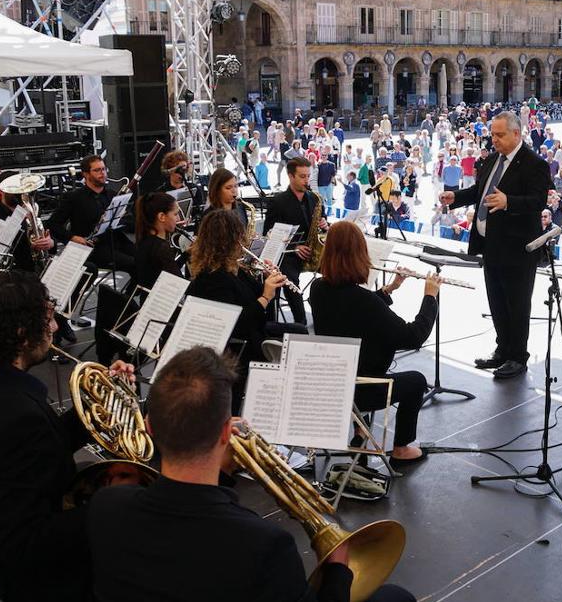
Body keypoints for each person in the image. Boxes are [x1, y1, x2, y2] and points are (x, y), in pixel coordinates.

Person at [87, 346, 415, 602]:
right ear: (226, 432)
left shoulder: (106, 505)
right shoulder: (265, 546)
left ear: (149, 427)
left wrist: (223, 473)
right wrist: (338, 571)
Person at [0, 271, 135, 601]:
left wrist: (100, 401)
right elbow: (27, 544)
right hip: (24, 581)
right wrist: (109, 504)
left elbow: (37, 451)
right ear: (24, 335)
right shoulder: (20, 418)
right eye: (50, 320)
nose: (54, 329)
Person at [309, 222, 439, 465]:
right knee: (416, 381)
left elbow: (351, 313)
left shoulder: (317, 290)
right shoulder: (364, 301)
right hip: (365, 389)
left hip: (333, 383)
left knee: (363, 357)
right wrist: (430, 297)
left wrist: (390, 288)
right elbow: (413, 336)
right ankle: (402, 448)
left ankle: (360, 434)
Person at [440, 111, 553, 380]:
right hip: (491, 245)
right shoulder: (491, 160)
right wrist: (455, 196)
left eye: (500, 135)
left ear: (517, 134)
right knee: (497, 302)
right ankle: (502, 350)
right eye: (492, 134)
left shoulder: (534, 164)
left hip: (518, 249)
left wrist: (509, 202)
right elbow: (480, 192)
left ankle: (518, 357)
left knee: (517, 303)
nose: (494, 140)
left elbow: (538, 201)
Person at [187, 209, 286, 361]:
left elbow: (254, 294)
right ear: (230, 242)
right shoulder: (213, 279)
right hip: (238, 350)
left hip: (254, 331)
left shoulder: (232, 267)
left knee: (300, 331)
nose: (244, 242)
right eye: (241, 237)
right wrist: (266, 297)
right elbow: (237, 324)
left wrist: (269, 280)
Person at [46, 155, 136, 275]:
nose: (102, 173)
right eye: (97, 170)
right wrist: (73, 237)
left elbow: (129, 223)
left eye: (104, 169)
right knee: (132, 264)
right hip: (92, 248)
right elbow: (52, 224)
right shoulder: (74, 198)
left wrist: (120, 218)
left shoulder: (113, 195)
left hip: (116, 241)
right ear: (86, 174)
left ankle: (134, 293)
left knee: (146, 259)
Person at [262, 157, 323, 325]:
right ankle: (301, 322)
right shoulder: (278, 201)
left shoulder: (314, 199)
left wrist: (324, 225)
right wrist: (294, 247)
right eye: (302, 176)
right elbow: (268, 233)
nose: (306, 180)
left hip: (313, 251)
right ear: (290, 176)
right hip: (289, 254)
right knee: (289, 279)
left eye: (308, 176)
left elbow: (320, 226)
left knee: (339, 269)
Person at [133, 191, 183, 290]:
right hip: (164, 302)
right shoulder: (160, 247)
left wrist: (186, 254)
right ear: (161, 217)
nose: (178, 218)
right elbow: (179, 283)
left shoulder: (144, 239)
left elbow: (168, 269)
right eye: (175, 214)